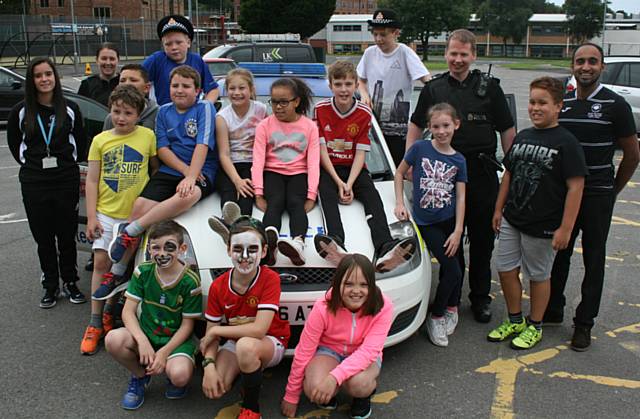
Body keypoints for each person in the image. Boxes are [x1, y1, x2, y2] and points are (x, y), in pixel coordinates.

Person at [406, 29, 516, 323]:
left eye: (463, 55)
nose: (457, 60)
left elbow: (507, 129)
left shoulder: (490, 88)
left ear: (474, 55)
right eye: (453, 54)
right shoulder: (434, 89)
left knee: (482, 240)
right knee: (450, 241)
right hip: (442, 176)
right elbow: (416, 126)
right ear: (446, 53)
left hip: (480, 175)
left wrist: (513, 169)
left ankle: (480, 298)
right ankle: (451, 297)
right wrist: (411, 162)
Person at [545, 43, 639, 351]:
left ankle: (584, 323)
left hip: (598, 194)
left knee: (594, 258)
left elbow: (632, 154)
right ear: (572, 65)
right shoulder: (563, 101)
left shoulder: (616, 104)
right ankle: (553, 309)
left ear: (601, 67)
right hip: (563, 195)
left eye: (593, 62)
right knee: (559, 253)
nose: (586, 66)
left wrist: (614, 188)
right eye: (580, 61)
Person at [488, 77, 587, 350]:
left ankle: (535, 325)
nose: (535, 107)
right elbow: (508, 174)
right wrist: (498, 209)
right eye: (532, 102)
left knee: (538, 276)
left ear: (558, 106)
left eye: (542, 103)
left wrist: (566, 228)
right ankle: (515, 318)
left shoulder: (567, 142)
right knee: (506, 269)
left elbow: (576, 186)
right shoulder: (523, 136)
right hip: (513, 218)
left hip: (543, 224)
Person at [107, 65, 218, 267]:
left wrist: (191, 177)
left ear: (197, 91)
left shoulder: (204, 108)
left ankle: (131, 230)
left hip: (200, 170)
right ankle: (117, 271)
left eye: (186, 86)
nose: (179, 90)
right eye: (175, 85)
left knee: (188, 195)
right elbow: (163, 149)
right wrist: (184, 172)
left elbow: (202, 144)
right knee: (139, 206)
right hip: (173, 169)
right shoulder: (164, 111)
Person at [313, 60, 416, 272]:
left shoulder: (363, 112)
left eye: (348, 84)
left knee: (373, 197)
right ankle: (336, 242)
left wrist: (349, 183)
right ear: (330, 85)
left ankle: (386, 245)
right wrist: (338, 182)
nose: (343, 89)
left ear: (355, 85)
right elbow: (321, 151)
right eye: (338, 84)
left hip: (355, 168)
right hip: (328, 167)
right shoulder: (320, 109)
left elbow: (361, 153)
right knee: (326, 196)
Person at [80, 85, 159, 355]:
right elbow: (91, 180)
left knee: (122, 268)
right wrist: (91, 216)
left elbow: (155, 171)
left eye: (127, 112)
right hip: (106, 211)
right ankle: (93, 321)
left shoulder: (148, 136)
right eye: (116, 111)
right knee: (101, 262)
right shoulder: (100, 140)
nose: (121, 117)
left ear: (139, 114)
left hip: (134, 216)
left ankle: (109, 315)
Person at [7, 57, 87, 309]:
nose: (44, 79)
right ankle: (50, 285)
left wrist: (67, 164)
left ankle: (70, 281)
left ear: (55, 77)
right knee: (43, 237)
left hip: (65, 179)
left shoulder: (71, 107)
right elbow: (14, 145)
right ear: (32, 80)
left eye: (48, 74)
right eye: (38, 75)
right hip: (34, 181)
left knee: (65, 235)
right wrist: (31, 165)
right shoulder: (21, 111)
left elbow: (80, 142)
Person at [280, 254, 392, 419]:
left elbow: (369, 351)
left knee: (359, 384)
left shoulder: (384, 306)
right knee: (313, 388)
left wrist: (333, 377)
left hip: (363, 353)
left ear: (372, 285)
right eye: (348, 284)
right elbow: (304, 352)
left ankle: (362, 397)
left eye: (363, 284)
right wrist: (291, 396)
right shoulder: (322, 307)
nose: (356, 291)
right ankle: (328, 394)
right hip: (329, 351)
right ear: (338, 283)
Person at [105, 220, 202, 410]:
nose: (162, 253)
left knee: (180, 376)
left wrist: (164, 353)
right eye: (155, 247)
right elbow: (128, 311)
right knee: (113, 340)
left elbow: (187, 326)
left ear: (182, 248)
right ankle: (141, 376)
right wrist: (142, 341)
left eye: (169, 247)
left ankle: (170, 371)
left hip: (175, 340)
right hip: (147, 334)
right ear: (148, 248)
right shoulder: (143, 271)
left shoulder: (190, 282)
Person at [200, 217, 290, 419]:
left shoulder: (270, 278)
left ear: (264, 251)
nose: (245, 256)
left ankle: (251, 407)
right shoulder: (218, 286)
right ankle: (251, 376)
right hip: (236, 342)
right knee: (218, 386)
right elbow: (210, 336)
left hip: (270, 341)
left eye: (253, 249)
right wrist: (209, 366)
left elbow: (258, 330)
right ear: (228, 250)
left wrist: (216, 330)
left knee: (246, 347)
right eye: (238, 248)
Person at [394, 103, 467, 347]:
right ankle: (436, 316)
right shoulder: (420, 148)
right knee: (454, 271)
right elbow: (399, 173)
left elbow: (461, 197)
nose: (442, 131)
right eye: (436, 126)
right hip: (426, 222)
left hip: (449, 223)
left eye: (446, 125)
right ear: (429, 128)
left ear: (456, 125)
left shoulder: (459, 160)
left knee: (454, 269)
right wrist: (399, 203)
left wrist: (458, 230)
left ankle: (450, 308)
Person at [251, 78, 319, 266]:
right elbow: (258, 161)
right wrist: (258, 193)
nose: (278, 107)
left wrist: (312, 195)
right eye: (274, 102)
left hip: (299, 174)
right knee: (275, 203)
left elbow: (313, 162)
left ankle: (298, 243)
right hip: (272, 173)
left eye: (283, 102)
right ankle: (269, 245)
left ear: (296, 102)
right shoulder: (264, 125)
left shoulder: (310, 127)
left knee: (296, 203)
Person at [356, 8, 430, 166]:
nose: (378, 39)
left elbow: (426, 79)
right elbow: (360, 80)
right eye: (375, 34)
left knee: (398, 167)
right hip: (374, 127)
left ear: (396, 33)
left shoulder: (405, 53)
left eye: (383, 34)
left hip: (400, 130)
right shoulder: (369, 53)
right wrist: (364, 95)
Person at [208, 68, 268, 242]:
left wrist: (247, 179)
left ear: (251, 90)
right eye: (232, 88)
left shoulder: (261, 110)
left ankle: (240, 230)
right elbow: (224, 154)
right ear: (227, 91)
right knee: (228, 190)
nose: (237, 93)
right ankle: (228, 224)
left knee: (246, 191)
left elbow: (268, 141)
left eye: (242, 88)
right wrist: (236, 180)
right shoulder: (222, 117)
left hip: (253, 163)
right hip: (230, 164)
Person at [143, 14, 219, 106]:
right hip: (164, 115)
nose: (174, 47)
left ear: (188, 43)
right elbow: (136, 81)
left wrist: (204, 107)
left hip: (192, 116)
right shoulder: (156, 60)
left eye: (179, 42)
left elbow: (213, 90)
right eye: (168, 44)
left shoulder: (197, 61)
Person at [103, 64, 159, 131]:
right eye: (122, 80)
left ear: (147, 88)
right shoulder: (111, 118)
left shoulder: (159, 115)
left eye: (133, 80)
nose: (127, 84)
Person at [78, 42, 120, 107]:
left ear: (118, 60)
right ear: (97, 60)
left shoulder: (124, 82)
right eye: (104, 58)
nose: (108, 63)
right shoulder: (87, 84)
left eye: (112, 59)